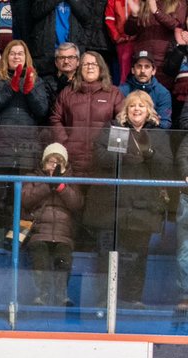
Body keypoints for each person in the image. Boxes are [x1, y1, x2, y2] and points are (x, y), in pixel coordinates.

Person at [86, 89, 173, 308]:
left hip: (143, 207)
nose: (136, 109)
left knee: (137, 256)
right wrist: (125, 153)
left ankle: (132, 299)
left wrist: (150, 153)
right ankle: (105, 300)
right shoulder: (113, 129)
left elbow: (166, 167)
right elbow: (101, 157)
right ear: (126, 109)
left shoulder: (159, 135)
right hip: (111, 206)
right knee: (107, 255)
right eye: (133, 105)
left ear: (149, 111)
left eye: (141, 106)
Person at [0, 40, 49, 233]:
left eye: (20, 53)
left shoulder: (36, 79)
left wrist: (29, 91)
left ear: (26, 57)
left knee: (20, 201)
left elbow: (42, 110)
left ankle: (13, 242)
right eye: (12, 53)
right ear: (6, 57)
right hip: (0, 148)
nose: (16, 57)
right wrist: (11, 87)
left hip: (26, 150)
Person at [22, 143, 84, 306]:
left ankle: (61, 293)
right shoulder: (33, 177)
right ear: (44, 163)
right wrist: (47, 185)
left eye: (58, 162)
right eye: (51, 161)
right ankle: (42, 293)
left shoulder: (72, 181)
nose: (54, 165)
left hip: (63, 233)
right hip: (39, 230)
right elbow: (25, 200)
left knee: (63, 257)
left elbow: (77, 203)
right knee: (40, 254)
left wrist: (61, 186)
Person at [50, 51, 125, 178]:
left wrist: (111, 153)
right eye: (85, 64)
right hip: (72, 160)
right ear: (79, 68)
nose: (90, 67)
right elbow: (55, 118)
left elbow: (122, 121)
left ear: (101, 68)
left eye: (94, 64)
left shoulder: (114, 93)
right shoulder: (68, 92)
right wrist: (65, 143)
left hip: (102, 162)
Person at [31, 0, 108, 77]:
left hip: (74, 50)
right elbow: (35, 12)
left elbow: (87, 17)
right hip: (47, 52)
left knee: (74, 84)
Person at [124, 0, 187, 89]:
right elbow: (129, 31)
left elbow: (177, 25)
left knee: (162, 96)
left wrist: (156, 11)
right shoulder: (145, 3)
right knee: (140, 97)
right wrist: (134, 16)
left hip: (165, 62)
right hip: (143, 58)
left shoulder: (178, 2)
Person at [121, 50, 174, 128]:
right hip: (127, 132)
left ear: (153, 71)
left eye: (147, 66)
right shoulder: (122, 91)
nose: (142, 71)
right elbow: (119, 118)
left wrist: (148, 125)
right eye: (139, 66)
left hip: (153, 134)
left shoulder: (163, 93)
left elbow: (165, 123)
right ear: (132, 70)